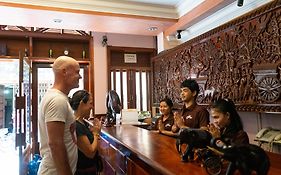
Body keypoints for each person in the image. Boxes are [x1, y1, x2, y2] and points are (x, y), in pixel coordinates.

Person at [38, 56, 81, 175]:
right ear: (64, 72)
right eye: (77, 72)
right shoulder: (57, 100)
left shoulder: (60, 98)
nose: (80, 76)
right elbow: (55, 144)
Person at [69, 90, 102, 175]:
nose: (92, 107)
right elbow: (90, 152)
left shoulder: (82, 122)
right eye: (90, 103)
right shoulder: (76, 125)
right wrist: (96, 133)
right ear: (82, 104)